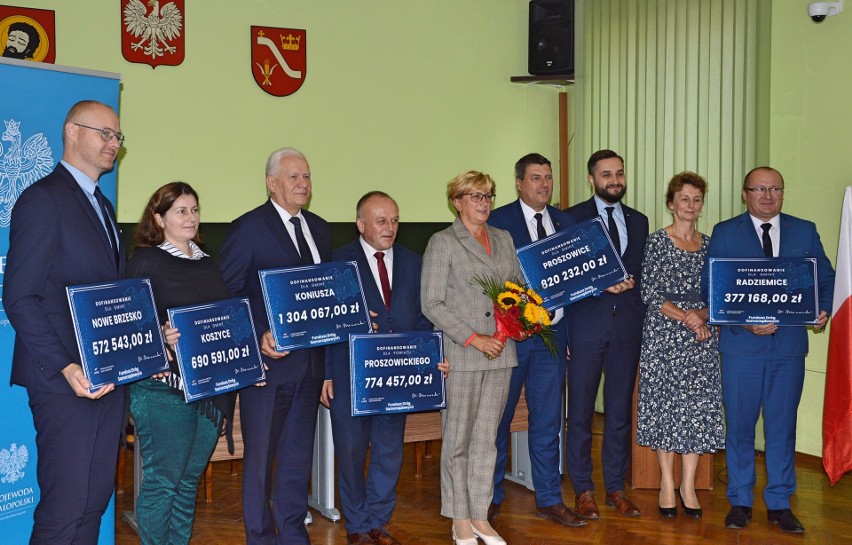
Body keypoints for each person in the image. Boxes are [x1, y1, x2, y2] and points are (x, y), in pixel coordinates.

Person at [4, 100, 126, 543]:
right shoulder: (42, 200)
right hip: (64, 383)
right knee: (64, 509)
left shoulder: (104, 207)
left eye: (118, 136)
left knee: (94, 504)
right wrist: (65, 365)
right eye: (104, 133)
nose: (113, 143)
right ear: (72, 132)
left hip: (109, 380)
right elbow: (19, 297)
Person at [702, 166, 835, 534]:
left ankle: (779, 503)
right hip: (741, 348)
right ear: (745, 193)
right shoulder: (726, 233)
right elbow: (712, 287)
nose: (767, 195)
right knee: (741, 428)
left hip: (788, 348)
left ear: (783, 192)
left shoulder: (803, 230)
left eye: (775, 188)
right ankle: (740, 501)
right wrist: (743, 321)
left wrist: (821, 307)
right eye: (759, 189)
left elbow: (825, 278)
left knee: (781, 428)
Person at [218, 147, 330, 545]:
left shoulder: (319, 228)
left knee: (298, 460)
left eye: (307, 176)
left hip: (310, 368)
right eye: (294, 177)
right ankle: (261, 537)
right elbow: (228, 294)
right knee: (261, 461)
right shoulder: (248, 228)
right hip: (268, 368)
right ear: (272, 183)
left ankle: (293, 533)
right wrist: (260, 332)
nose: (303, 184)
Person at [321, 191, 438, 545]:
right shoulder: (337, 261)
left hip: (398, 375)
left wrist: (427, 357)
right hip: (348, 374)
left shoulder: (413, 261)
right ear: (361, 224)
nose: (390, 227)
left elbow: (422, 317)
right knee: (353, 451)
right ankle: (356, 524)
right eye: (381, 220)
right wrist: (325, 372)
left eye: (395, 220)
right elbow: (324, 322)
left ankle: (377, 520)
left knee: (389, 451)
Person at [125, 182, 237, 545]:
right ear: (159, 219)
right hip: (163, 389)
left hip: (208, 392)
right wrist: (157, 335)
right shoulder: (146, 259)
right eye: (180, 211)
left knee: (188, 481)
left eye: (194, 209)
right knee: (164, 483)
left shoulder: (208, 262)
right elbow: (127, 320)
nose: (191, 218)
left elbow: (223, 321)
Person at [421, 171, 520, 545]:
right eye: (475, 196)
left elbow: (516, 290)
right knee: (458, 440)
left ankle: (480, 515)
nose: (484, 202)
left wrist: (521, 318)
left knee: (487, 440)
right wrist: (474, 338)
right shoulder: (443, 242)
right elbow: (431, 303)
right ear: (457, 201)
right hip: (463, 353)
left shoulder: (504, 239)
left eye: (489, 195)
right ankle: (459, 518)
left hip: (502, 351)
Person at [486, 153, 585, 527]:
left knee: (547, 423)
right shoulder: (498, 222)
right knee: (499, 420)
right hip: (510, 340)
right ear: (519, 182)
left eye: (548, 178)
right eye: (535, 178)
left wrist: (570, 335)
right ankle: (491, 496)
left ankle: (548, 498)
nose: (544, 184)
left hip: (553, 339)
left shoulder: (567, 223)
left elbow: (577, 285)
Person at [563, 149, 648, 519]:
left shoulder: (640, 221)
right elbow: (564, 279)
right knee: (580, 414)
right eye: (606, 174)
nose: (615, 180)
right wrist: (600, 287)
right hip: (584, 329)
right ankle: (583, 489)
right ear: (591, 179)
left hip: (627, 331)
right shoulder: (570, 219)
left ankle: (615, 487)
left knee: (618, 414)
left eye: (619, 173)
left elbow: (643, 276)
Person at [635, 172, 723, 519]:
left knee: (696, 412)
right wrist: (687, 317)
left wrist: (701, 315)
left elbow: (720, 291)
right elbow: (649, 293)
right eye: (684, 199)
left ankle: (689, 485)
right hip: (664, 336)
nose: (690, 205)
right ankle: (667, 484)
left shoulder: (713, 244)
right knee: (665, 409)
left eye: (697, 199)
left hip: (701, 337)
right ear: (671, 203)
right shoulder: (656, 241)